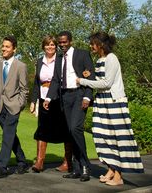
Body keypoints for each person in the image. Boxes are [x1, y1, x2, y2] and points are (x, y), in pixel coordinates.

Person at [76, 32, 144, 186]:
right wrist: (91, 75)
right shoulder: (101, 59)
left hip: (113, 102)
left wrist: (83, 81)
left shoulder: (112, 58)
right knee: (102, 135)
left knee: (116, 138)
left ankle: (118, 177)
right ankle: (111, 169)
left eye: (93, 43)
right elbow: (101, 80)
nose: (91, 46)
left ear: (100, 44)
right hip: (102, 102)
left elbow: (107, 83)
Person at [43, 31, 95, 182]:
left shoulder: (82, 54)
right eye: (60, 43)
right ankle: (76, 168)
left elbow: (90, 76)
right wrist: (48, 98)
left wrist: (87, 96)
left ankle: (85, 165)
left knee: (75, 128)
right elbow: (55, 80)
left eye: (64, 42)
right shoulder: (59, 58)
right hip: (65, 97)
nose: (62, 45)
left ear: (70, 41)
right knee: (70, 133)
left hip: (79, 95)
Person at [30, 35, 73, 173]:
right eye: (47, 44)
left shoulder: (61, 59)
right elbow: (36, 83)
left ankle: (67, 162)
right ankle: (39, 161)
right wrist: (33, 100)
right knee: (42, 129)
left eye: (53, 45)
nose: (50, 47)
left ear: (56, 47)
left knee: (65, 129)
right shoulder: (39, 61)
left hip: (59, 98)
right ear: (43, 46)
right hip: (43, 98)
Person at [0, 35, 29, 178]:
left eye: (7, 46)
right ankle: (22, 161)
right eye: (3, 46)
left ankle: (1, 166)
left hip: (13, 106)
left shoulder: (21, 66)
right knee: (10, 135)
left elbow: (24, 89)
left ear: (14, 49)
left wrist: (19, 105)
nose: (3, 48)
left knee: (7, 134)